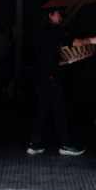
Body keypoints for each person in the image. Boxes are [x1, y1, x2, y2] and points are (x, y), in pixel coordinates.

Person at [27, 8, 85, 157]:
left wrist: (69, 61)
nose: (60, 17)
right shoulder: (53, 31)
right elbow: (75, 43)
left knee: (42, 111)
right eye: (58, 14)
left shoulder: (39, 34)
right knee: (59, 112)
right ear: (50, 16)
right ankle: (67, 145)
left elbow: (49, 61)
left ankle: (34, 144)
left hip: (40, 78)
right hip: (51, 80)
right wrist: (93, 40)